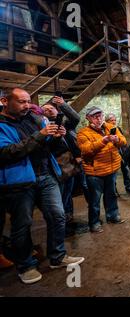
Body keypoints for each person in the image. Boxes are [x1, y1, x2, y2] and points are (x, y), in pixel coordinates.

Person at [0, 88, 84, 284]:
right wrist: (40, 135)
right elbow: (7, 153)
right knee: (22, 225)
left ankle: (57, 256)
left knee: (57, 215)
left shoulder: (31, 119)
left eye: (29, 101)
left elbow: (45, 146)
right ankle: (26, 266)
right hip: (20, 181)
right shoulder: (2, 125)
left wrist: (56, 138)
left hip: (46, 175)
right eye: (21, 102)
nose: (27, 105)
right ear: (5, 101)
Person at [77, 107, 127, 233]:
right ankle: (94, 223)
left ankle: (113, 216)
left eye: (100, 115)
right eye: (95, 116)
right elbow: (86, 150)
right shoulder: (83, 133)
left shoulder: (110, 127)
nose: (99, 119)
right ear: (88, 118)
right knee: (94, 200)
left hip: (111, 169)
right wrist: (103, 140)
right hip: (95, 172)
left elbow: (123, 141)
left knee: (111, 195)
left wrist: (117, 140)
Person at [41, 96, 82, 224]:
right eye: (46, 109)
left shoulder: (65, 124)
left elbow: (76, 118)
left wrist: (63, 104)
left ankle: (68, 216)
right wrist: (56, 137)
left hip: (71, 164)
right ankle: (61, 219)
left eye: (52, 108)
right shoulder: (43, 128)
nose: (50, 110)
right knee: (62, 194)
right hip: (58, 166)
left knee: (69, 193)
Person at [105, 113, 130, 195]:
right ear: (107, 121)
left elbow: (123, 141)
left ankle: (128, 187)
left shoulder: (118, 129)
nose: (114, 122)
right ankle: (114, 190)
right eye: (111, 120)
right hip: (112, 155)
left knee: (126, 171)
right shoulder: (105, 130)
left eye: (114, 120)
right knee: (114, 175)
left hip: (121, 154)